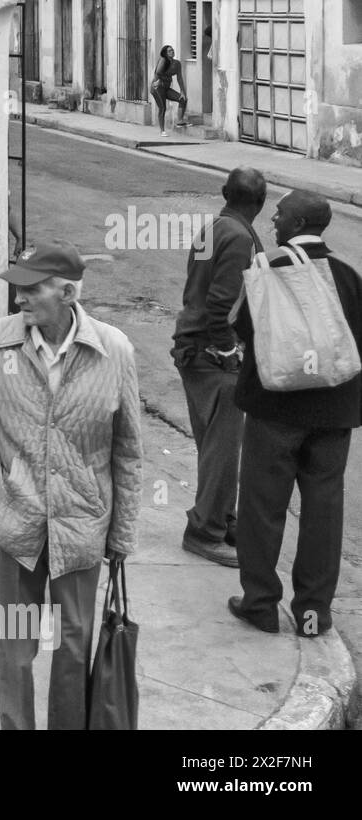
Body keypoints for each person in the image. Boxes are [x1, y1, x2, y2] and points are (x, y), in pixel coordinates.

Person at [0, 241, 142, 730]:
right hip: (17, 524)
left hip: (80, 526)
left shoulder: (114, 351)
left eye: (30, 288)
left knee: (73, 644)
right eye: (16, 288)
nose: (19, 299)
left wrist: (121, 534)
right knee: (16, 648)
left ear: (66, 292)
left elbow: (128, 451)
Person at [227, 191, 362, 638]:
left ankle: (261, 604)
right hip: (334, 414)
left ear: (298, 221)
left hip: (275, 411)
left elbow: (243, 326)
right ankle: (311, 615)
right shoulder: (347, 275)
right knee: (323, 511)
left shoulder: (269, 270)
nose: (274, 221)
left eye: (281, 214)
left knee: (262, 508)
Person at [170, 167, 266, 567]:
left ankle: (222, 518)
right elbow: (221, 303)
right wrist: (228, 352)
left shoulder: (215, 228)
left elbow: (200, 288)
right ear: (260, 203)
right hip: (211, 355)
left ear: (225, 192)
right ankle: (205, 530)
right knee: (223, 450)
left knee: (215, 446)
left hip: (193, 349)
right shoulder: (240, 237)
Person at [151, 45, 188, 137]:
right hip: (157, 88)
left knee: (183, 99)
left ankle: (179, 121)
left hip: (166, 88)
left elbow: (179, 78)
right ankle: (162, 130)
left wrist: (183, 91)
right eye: (169, 51)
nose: (172, 52)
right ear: (165, 53)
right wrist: (164, 79)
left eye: (172, 50)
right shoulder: (163, 60)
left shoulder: (177, 63)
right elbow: (158, 72)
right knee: (162, 108)